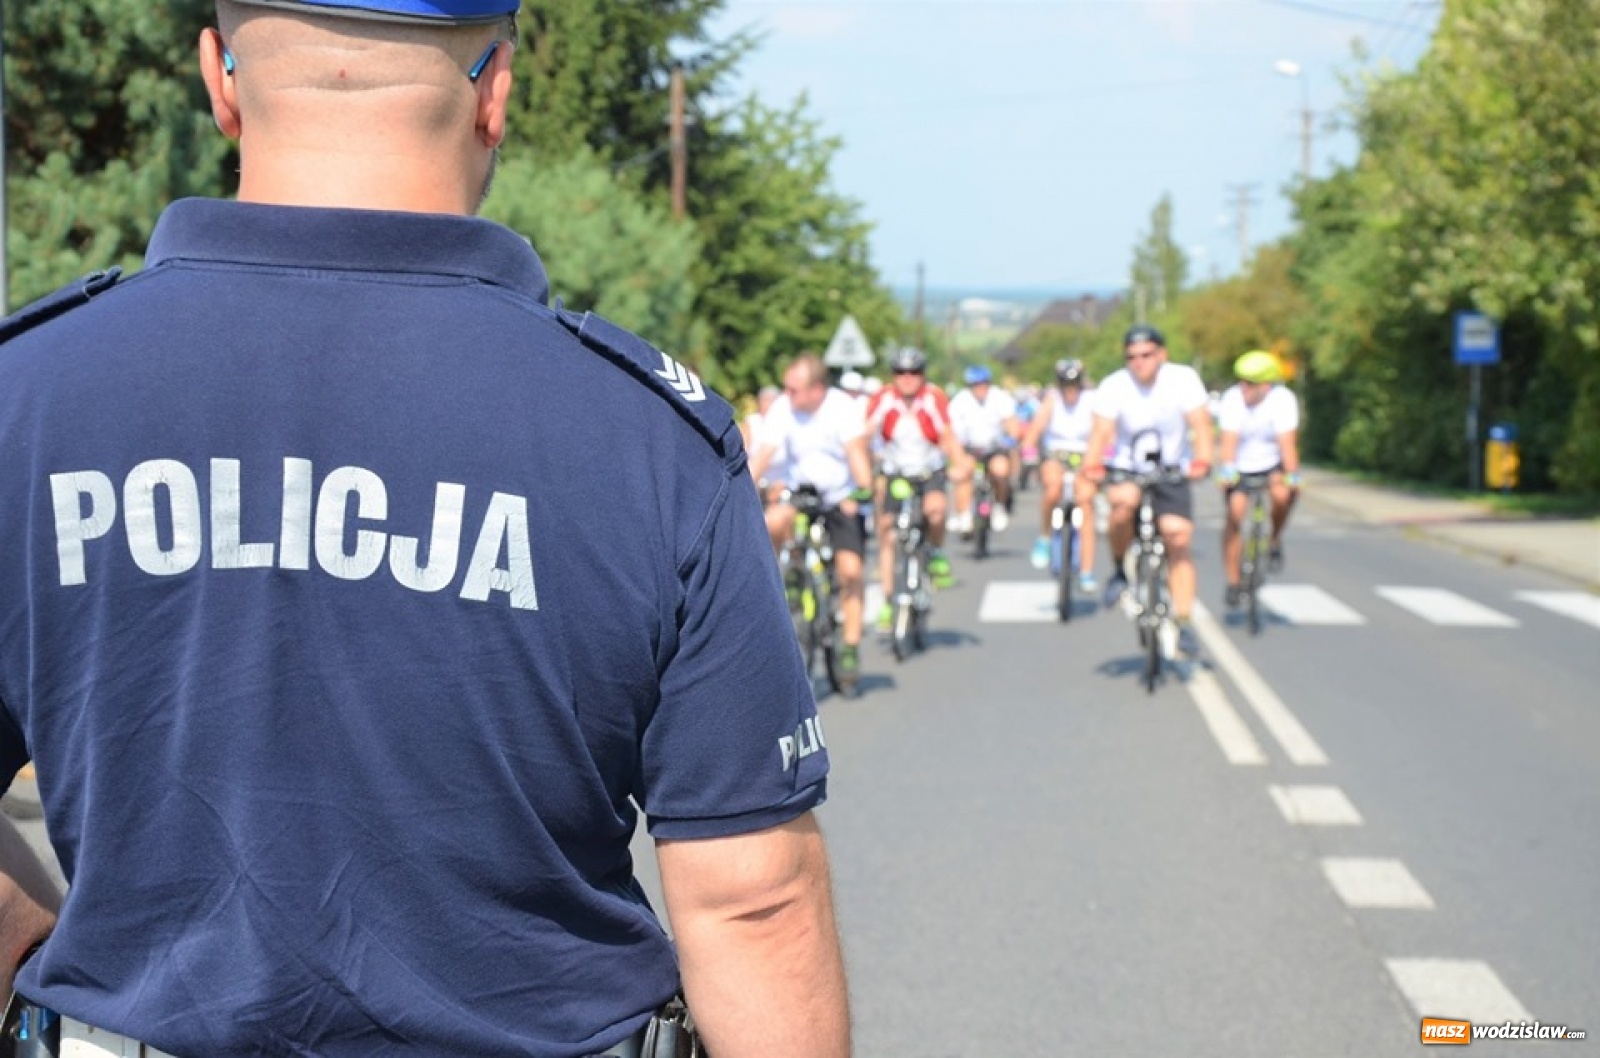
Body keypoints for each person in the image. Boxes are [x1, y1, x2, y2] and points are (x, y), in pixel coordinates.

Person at [0, 3, 849, 1056]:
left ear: (219, 81)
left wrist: (36, 956)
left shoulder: (25, 398)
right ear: (494, 95)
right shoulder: (642, 436)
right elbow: (751, 899)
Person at [1082, 325, 1215, 657]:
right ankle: (1118, 570)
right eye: (1131, 357)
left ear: (1161, 355)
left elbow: (1200, 424)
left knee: (1177, 536)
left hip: (1172, 469)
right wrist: (1092, 466)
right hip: (1129, 467)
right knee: (1122, 503)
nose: (1138, 363)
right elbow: (1101, 432)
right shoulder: (1114, 385)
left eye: (1146, 355)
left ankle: (1183, 622)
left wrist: (1203, 459)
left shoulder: (1182, 379)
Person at [749, 354, 875, 692]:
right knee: (774, 520)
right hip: (799, 493)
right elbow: (762, 456)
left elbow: (857, 455)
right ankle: (786, 577)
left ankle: (849, 645)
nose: (787, 396)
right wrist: (738, 488)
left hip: (839, 497)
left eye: (795, 390)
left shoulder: (842, 409)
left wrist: (863, 491)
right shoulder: (782, 408)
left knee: (851, 572)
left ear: (817, 389)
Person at [864, 346, 971, 630]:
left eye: (914, 372)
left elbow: (947, 435)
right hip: (895, 472)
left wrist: (959, 463)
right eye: (901, 372)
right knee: (887, 532)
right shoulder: (884, 399)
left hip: (928, 470)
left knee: (935, 511)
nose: (907, 378)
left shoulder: (932, 398)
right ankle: (889, 601)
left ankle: (935, 551)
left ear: (923, 375)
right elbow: (864, 433)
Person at [1217, 350, 1303, 607]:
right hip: (1242, 465)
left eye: (1250, 383)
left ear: (1266, 385)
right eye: (1241, 381)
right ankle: (1233, 580)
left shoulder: (1283, 400)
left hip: (1271, 462)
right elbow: (1229, 440)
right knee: (1235, 514)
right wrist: (1227, 470)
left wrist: (1293, 476)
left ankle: (1274, 538)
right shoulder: (1232, 399)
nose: (1243, 387)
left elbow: (1287, 443)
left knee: (1282, 496)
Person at [1022, 359, 1100, 592]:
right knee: (1053, 488)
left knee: (1086, 504)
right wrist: (1028, 448)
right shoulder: (1051, 400)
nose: (1070, 390)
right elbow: (1035, 428)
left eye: (1075, 384)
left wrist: (1104, 454)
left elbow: (1102, 430)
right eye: (1066, 384)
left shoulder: (1092, 400)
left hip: (1085, 456)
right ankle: (1045, 537)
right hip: (1056, 454)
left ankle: (1086, 571)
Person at [948, 364, 1021, 534]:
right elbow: (951, 431)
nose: (980, 388)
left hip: (994, 447)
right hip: (970, 448)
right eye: (976, 385)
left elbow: (1012, 423)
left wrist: (1012, 437)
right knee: (963, 472)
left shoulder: (999, 397)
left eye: (984, 384)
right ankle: (964, 513)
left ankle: (999, 506)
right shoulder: (960, 401)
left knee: (1000, 471)